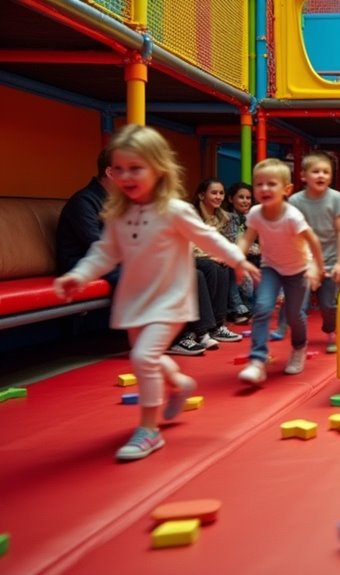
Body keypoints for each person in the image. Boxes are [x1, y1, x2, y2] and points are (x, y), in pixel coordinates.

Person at [53, 124, 260, 461]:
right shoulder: (119, 213)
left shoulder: (174, 210)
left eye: (135, 168)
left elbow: (208, 239)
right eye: (119, 169)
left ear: (158, 169)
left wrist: (238, 259)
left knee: (142, 358)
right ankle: (177, 382)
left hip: (168, 298)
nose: (126, 175)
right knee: (147, 356)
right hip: (134, 300)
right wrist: (78, 274)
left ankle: (149, 430)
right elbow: (104, 252)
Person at [237, 158, 325, 383]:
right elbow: (246, 239)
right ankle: (257, 359)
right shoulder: (256, 213)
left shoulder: (292, 216)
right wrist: (238, 260)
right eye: (259, 184)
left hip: (298, 270)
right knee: (262, 307)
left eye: (271, 184)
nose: (264, 189)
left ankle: (298, 347)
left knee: (295, 315)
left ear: (286, 190)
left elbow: (313, 241)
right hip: (271, 268)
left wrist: (317, 267)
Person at [288, 151, 340, 354]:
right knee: (298, 305)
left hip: (330, 260)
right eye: (316, 172)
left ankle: (330, 330)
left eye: (326, 172)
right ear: (303, 176)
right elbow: (292, 233)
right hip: (305, 261)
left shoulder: (335, 198)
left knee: (328, 304)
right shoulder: (295, 201)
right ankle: (300, 341)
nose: (321, 176)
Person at [188, 178, 244, 347]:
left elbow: (223, 243)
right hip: (189, 256)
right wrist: (211, 256)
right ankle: (205, 327)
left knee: (224, 268)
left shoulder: (223, 217)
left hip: (210, 257)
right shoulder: (192, 214)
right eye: (214, 193)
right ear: (201, 195)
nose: (219, 196)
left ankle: (218, 324)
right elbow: (190, 244)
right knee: (211, 267)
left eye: (221, 193)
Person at [56, 149, 121, 289]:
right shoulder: (83, 201)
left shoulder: (117, 202)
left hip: (105, 261)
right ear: (110, 173)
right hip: (79, 263)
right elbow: (97, 245)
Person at [224, 181, 258, 323]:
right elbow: (231, 242)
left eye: (248, 198)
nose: (245, 201)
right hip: (231, 257)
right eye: (241, 197)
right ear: (231, 199)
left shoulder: (249, 217)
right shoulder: (228, 217)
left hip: (246, 257)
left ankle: (250, 308)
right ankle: (237, 308)